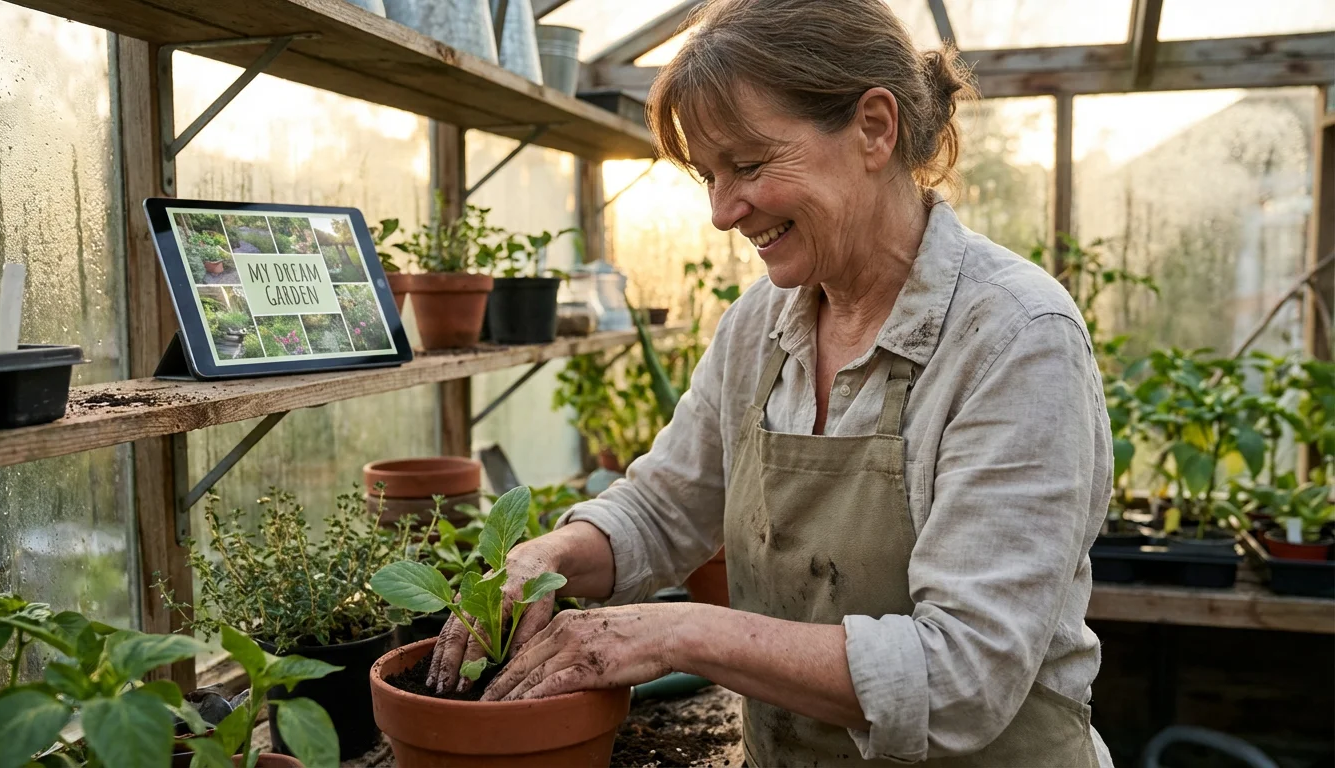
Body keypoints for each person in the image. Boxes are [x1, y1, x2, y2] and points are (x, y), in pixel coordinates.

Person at [426, 0, 1114, 764]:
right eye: (710, 176)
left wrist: (680, 631)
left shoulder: (1014, 338)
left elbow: (962, 675)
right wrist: (553, 553)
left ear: (874, 129)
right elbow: (664, 508)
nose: (723, 212)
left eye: (749, 165)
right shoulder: (761, 323)